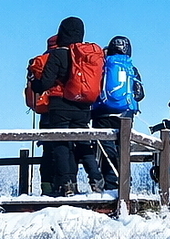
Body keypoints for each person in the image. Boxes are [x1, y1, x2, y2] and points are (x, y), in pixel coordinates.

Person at [29, 17, 103, 196]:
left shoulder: (57, 54)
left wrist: (35, 83)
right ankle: (96, 178)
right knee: (83, 142)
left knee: (61, 145)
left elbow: (45, 83)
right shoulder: (85, 56)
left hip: (60, 106)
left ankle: (67, 183)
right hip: (83, 107)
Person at [91, 35, 145, 192]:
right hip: (125, 115)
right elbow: (140, 94)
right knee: (123, 148)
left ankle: (109, 183)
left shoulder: (102, 66)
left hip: (101, 113)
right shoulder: (131, 68)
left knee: (105, 149)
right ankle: (124, 183)